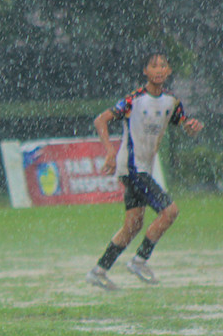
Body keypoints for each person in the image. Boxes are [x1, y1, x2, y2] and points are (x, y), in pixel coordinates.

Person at [85, 52, 203, 290]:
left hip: (142, 169)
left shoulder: (171, 102)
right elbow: (101, 120)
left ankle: (99, 271)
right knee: (170, 211)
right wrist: (109, 151)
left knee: (133, 226)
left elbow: (185, 124)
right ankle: (140, 260)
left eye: (163, 66)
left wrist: (192, 127)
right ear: (145, 72)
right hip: (132, 168)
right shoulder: (134, 100)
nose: (159, 70)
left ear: (168, 72)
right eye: (153, 66)